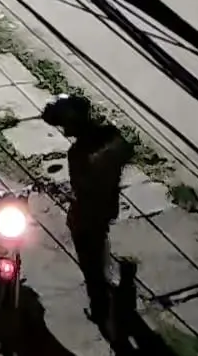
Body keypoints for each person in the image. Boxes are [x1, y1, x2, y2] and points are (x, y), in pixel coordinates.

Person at [41, 94, 133, 325]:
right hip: (107, 207)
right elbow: (125, 151)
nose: (63, 129)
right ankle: (118, 286)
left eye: (64, 123)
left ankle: (101, 309)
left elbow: (83, 187)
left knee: (90, 265)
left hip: (87, 215)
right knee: (98, 244)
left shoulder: (79, 153)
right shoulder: (109, 134)